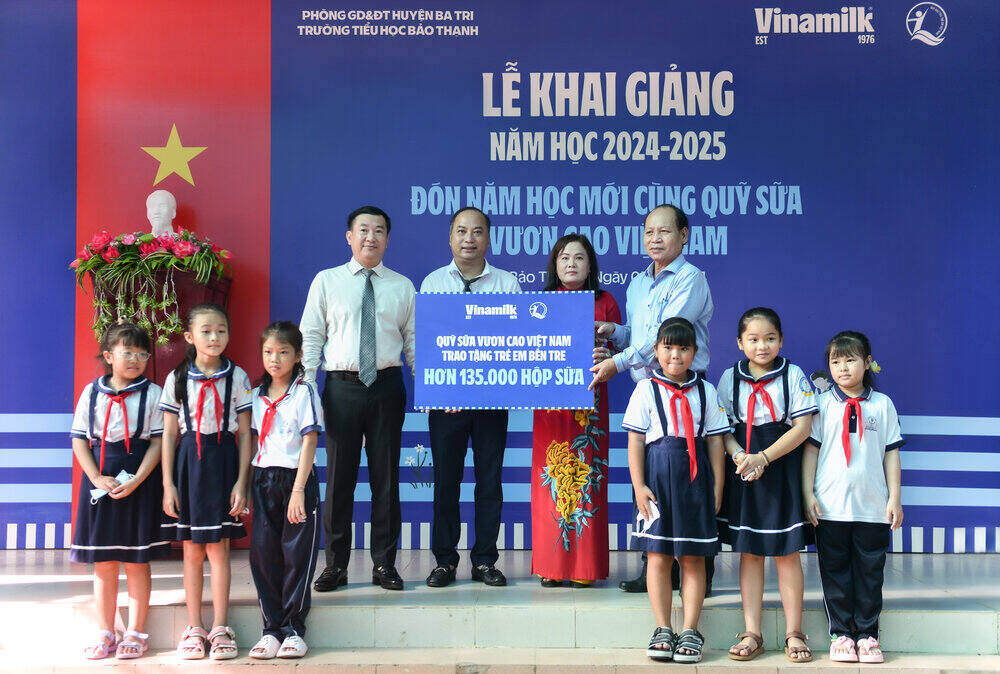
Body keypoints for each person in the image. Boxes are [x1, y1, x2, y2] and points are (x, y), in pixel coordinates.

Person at [590, 204, 715, 594]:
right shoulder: (638, 283)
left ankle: (698, 571)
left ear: (684, 236)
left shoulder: (692, 279)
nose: (655, 239)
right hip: (648, 389)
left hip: (684, 386)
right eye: (649, 232)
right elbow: (641, 337)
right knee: (648, 478)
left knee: (690, 478)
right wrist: (615, 330)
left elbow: (664, 337)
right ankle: (653, 567)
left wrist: (616, 362)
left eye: (664, 232)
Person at [302, 205, 415, 592]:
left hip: (386, 385)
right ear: (349, 236)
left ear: (387, 238)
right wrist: (305, 386)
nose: (371, 237)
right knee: (339, 480)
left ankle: (384, 564)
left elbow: (413, 342)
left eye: (379, 230)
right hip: (342, 386)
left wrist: (432, 385)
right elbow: (312, 335)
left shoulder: (402, 286)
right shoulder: (327, 281)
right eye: (363, 230)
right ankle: (335, 565)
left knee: (387, 479)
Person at [419, 207, 520, 587]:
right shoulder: (432, 282)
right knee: (446, 481)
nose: (469, 239)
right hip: (447, 403)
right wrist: (439, 387)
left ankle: (484, 560)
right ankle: (444, 560)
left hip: (491, 401)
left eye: (477, 232)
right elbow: (425, 342)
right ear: (450, 237)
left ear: (488, 239)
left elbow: (515, 343)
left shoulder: (507, 284)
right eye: (461, 231)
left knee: (489, 482)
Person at [715, 308, 818, 663]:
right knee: (751, 551)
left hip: (780, 465)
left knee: (787, 552)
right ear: (740, 342)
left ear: (782, 340)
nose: (762, 346)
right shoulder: (730, 377)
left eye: (770, 338)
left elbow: (803, 428)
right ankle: (752, 632)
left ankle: (794, 632)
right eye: (754, 339)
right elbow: (722, 428)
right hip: (744, 467)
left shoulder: (793, 374)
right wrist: (741, 457)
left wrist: (765, 458)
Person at [623, 318, 727, 663]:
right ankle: (663, 627)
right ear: (656, 351)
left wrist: (717, 486)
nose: (676, 355)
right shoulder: (645, 390)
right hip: (656, 482)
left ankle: (691, 629)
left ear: (694, 353)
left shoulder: (706, 392)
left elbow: (714, 443)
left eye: (684, 348)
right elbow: (636, 440)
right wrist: (639, 486)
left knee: (694, 557)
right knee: (658, 556)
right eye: (668, 347)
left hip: (695, 482)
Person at [803, 331, 904, 664]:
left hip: (872, 508)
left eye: (850, 359)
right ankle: (842, 634)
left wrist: (894, 499)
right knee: (835, 572)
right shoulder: (820, 405)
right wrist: (808, 494)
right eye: (835, 361)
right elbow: (811, 453)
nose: (843, 368)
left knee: (870, 573)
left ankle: (869, 634)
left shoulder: (882, 404)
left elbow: (891, 454)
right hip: (831, 508)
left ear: (867, 361)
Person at [160, 303, 253, 660]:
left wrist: (242, 482)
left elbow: (245, 433)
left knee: (219, 549)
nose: (214, 338)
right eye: (205, 331)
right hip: (188, 464)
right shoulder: (177, 378)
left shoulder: (238, 377)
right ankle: (194, 627)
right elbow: (169, 434)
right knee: (192, 550)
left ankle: (220, 627)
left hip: (224, 461)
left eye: (221, 331)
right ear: (189, 336)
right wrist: (168, 484)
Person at [71, 324, 168, 660]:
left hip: (139, 480)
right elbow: (79, 439)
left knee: (137, 561)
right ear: (109, 356)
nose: (136, 359)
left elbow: (158, 442)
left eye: (143, 354)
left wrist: (139, 478)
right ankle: (106, 631)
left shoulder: (154, 394)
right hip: (101, 479)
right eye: (128, 352)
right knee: (104, 562)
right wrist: (96, 477)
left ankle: (137, 631)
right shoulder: (91, 393)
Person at [530, 234, 620, 587]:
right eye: (564, 257)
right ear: (555, 265)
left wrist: (609, 355)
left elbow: (619, 347)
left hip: (591, 405)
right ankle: (551, 568)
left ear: (590, 265)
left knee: (587, 480)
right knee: (551, 480)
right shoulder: (542, 302)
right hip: (551, 407)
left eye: (579, 257)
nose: (571, 263)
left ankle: (585, 568)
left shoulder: (605, 301)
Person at [248, 322, 323, 660]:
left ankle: (293, 629)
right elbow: (252, 442)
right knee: (264, 555)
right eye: (268, 352)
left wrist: (298, 490)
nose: (274, 359)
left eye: (283, 352)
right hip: (263, 479)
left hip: (296, 480)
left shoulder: (304, 391)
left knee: (295, 556)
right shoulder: (256, 395)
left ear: (297, 356)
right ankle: (270, 630)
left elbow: (309, 440)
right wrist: (245, 487)